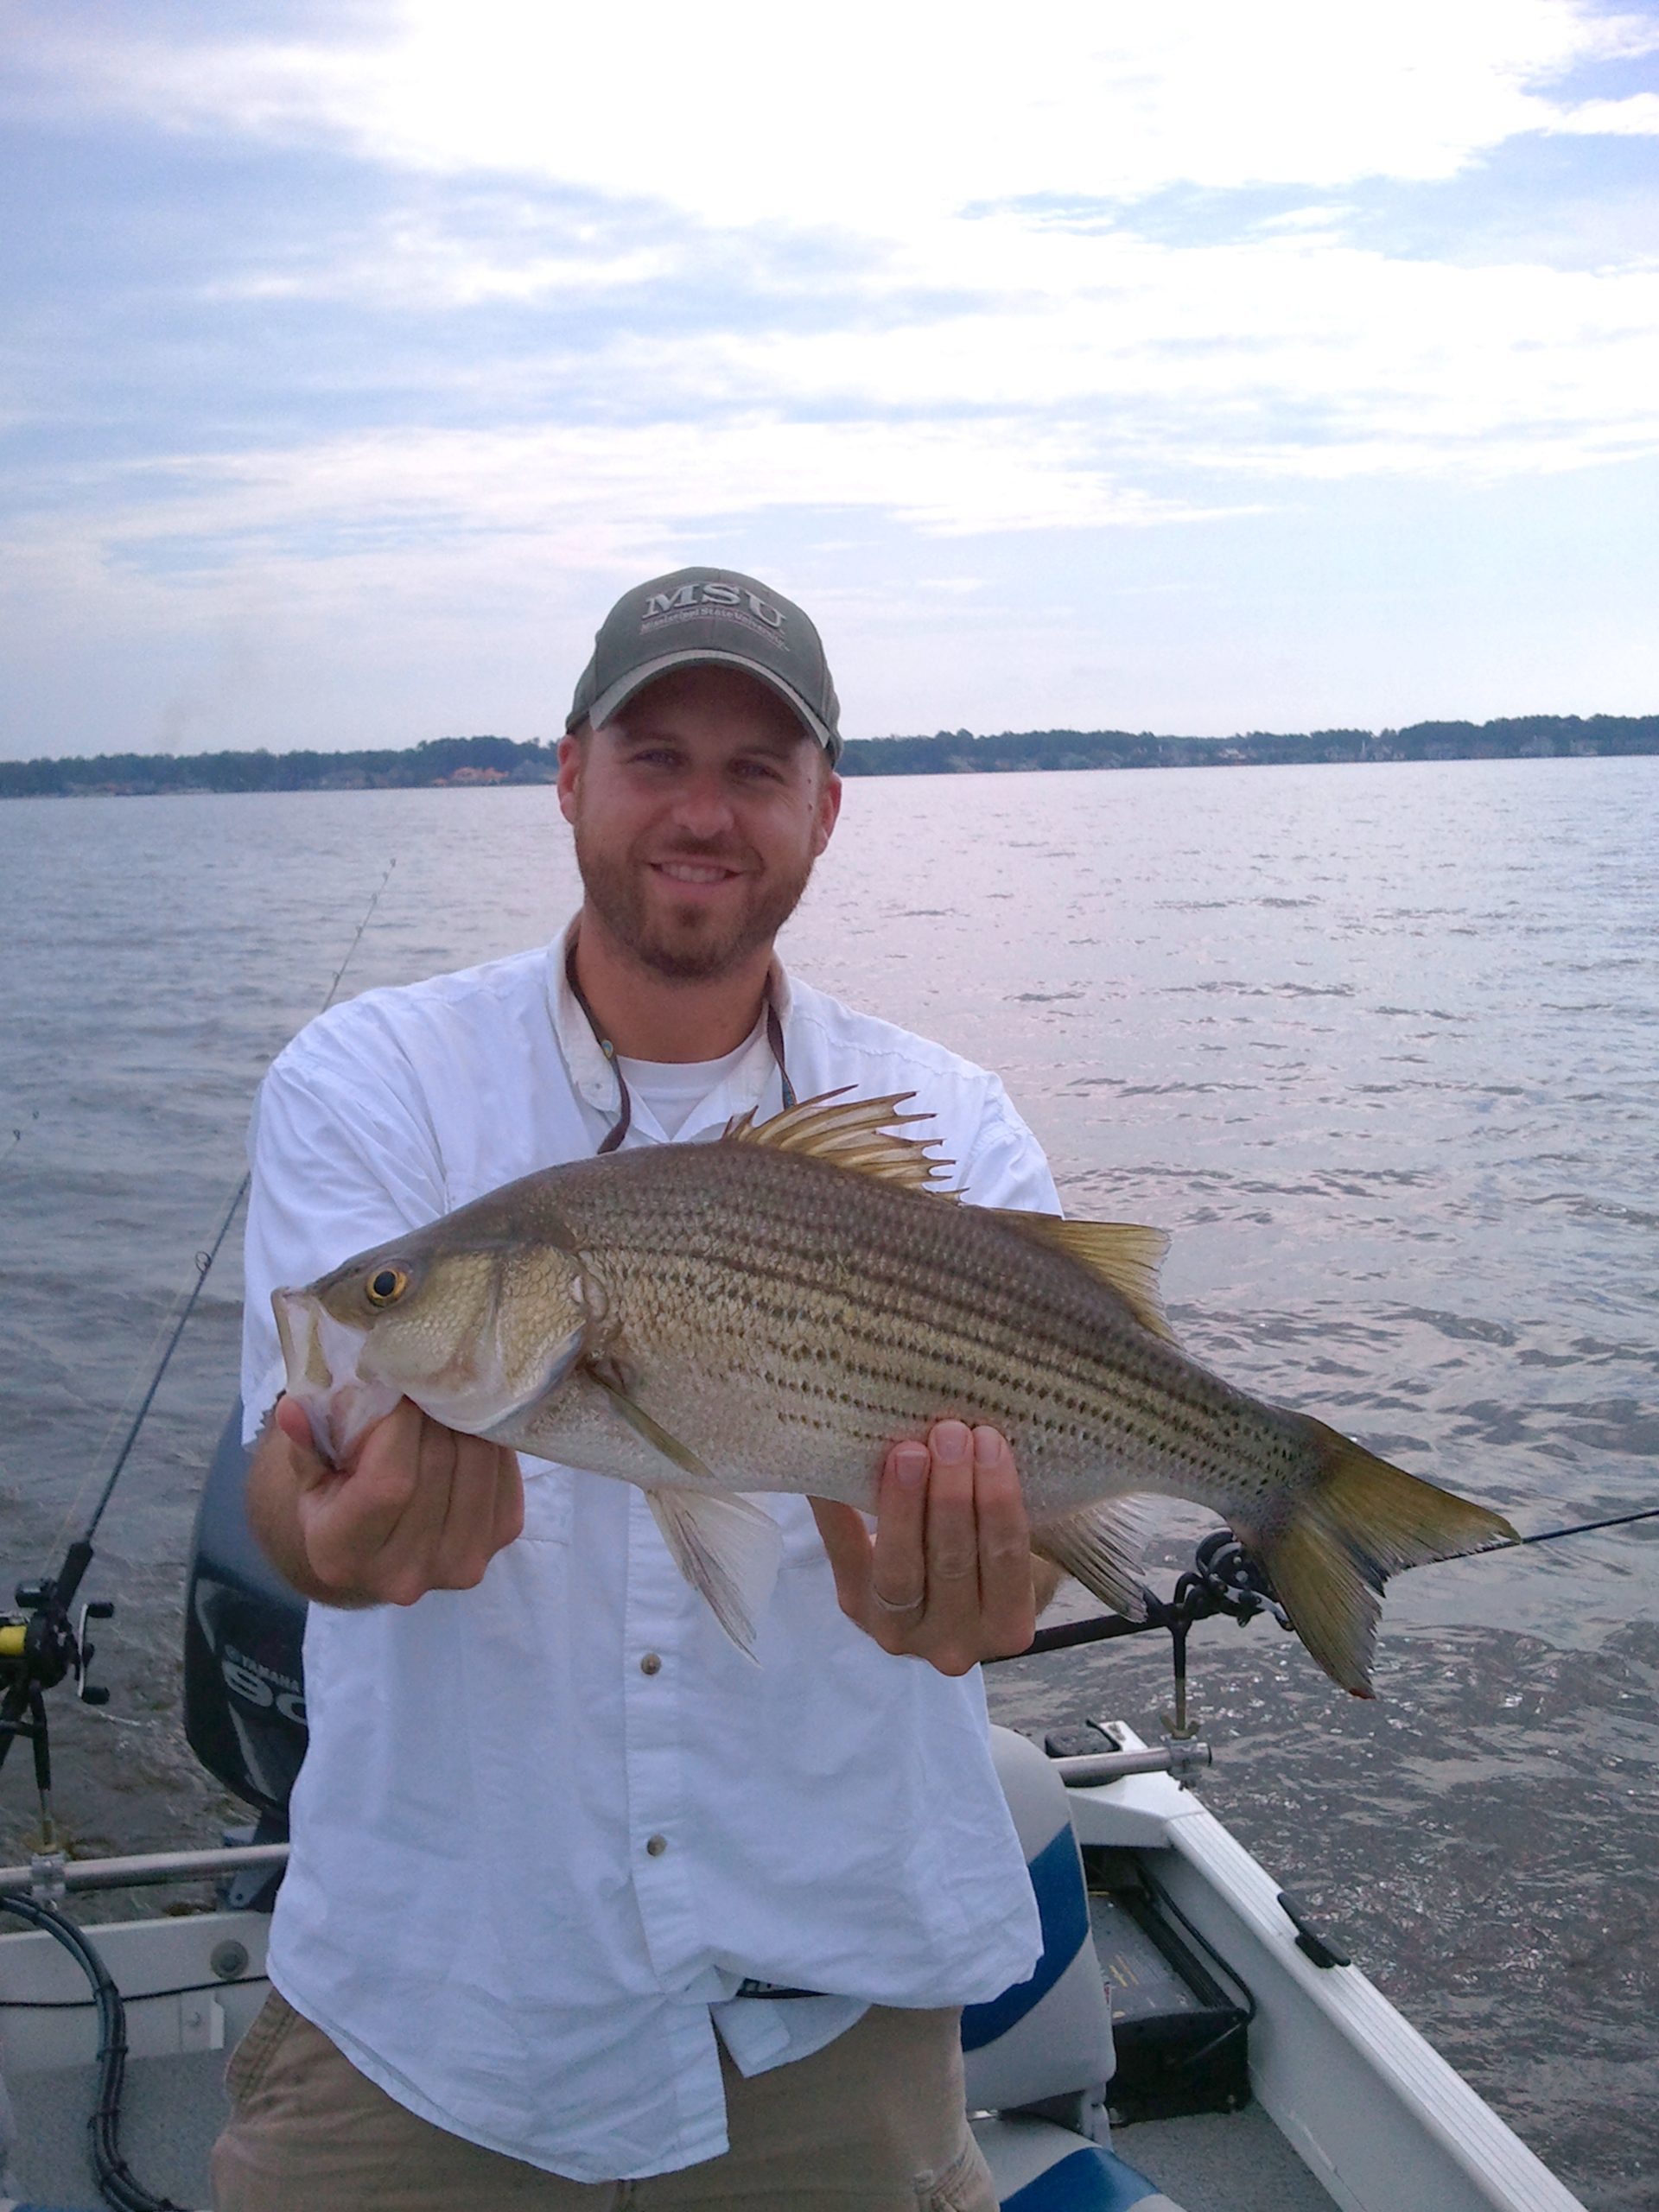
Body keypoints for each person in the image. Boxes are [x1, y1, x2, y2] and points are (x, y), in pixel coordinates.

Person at [214, 567, 1065, 2212]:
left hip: (832, 2022)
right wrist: (326, 1539)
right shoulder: (371, 1079)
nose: (703, 812)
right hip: (434, 2020)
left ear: (826, 809)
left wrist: (989, 1590)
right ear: (569, 774)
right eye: (654, 756)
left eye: (757, 769)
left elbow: (1026, 1557)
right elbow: (292, 1448)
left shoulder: (952, 1123)